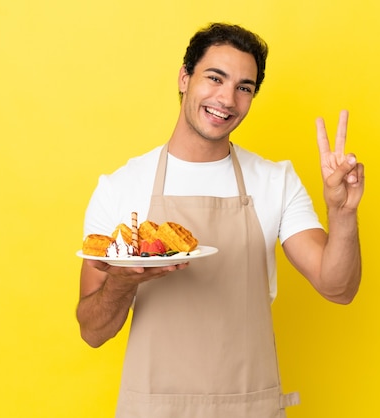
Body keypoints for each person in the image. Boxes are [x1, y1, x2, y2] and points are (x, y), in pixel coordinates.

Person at [76, 22, 364, 418]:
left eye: (244, 87)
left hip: (249, 407)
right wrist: (122, 283)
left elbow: (338, 288)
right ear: (184, 77)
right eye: (215, 78)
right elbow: (92, 331)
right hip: (154, 409)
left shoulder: (275, 181)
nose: (227, 99)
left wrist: (343, 213)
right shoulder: (120, 188)